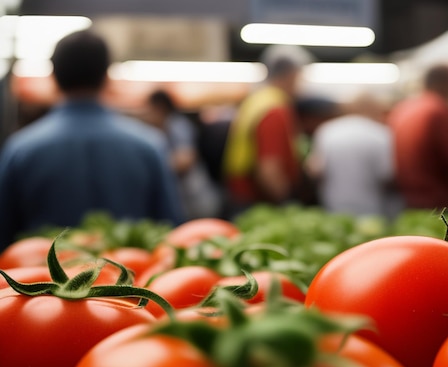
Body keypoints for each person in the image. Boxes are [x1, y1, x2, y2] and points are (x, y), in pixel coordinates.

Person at [0, 29, 184, 251]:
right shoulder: (149, 146)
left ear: (54, 76)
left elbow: (4, 234)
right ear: (106, 75)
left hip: (38, 281)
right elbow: (170, 232)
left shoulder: (20, 150)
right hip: (130, 279)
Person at [221, 44, 312, 218]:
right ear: (291, 75)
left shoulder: (256, 100)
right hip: (256, 205)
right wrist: (287, 204)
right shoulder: (274, 108)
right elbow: (269, 170)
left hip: (239, 196)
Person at [387, 64, 448, 211]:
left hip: (407, 201)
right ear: (447, 84)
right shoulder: (438, 111)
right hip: (436, 203)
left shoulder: (403, 108)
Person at [305, 93, 401, 219]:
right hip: (373, 208)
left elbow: (314, 169)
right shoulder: (381, 134)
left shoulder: (326, 130)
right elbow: (388, 174)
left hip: (333, 205)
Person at [144, 89, 222, 219]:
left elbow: (186, 159)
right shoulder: (165, 127)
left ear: (160, 107)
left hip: (196, 202)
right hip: (187, 202)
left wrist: (154, 169)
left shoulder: (177, 125)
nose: (148, 114)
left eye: (149, 109)